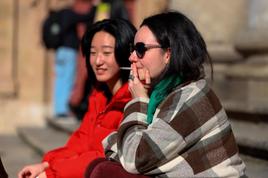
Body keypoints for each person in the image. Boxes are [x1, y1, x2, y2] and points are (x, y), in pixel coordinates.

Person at [85, 11, 247, 178]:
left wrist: (139, 100)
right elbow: (128, 150)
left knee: (104, 171)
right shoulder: (164, 93)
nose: (132, 57)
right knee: (99, 166)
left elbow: (133, 158)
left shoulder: (191, 97)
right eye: (133, 49)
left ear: (168, 54)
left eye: (140, 49)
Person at [18, 18, 136, 178]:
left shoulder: (133, 100)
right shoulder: (99, 95)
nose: (98, 61)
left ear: (125, 53)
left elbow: (102, 155)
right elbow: (81, 140)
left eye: (107, 52)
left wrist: (51, 173)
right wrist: (46, 164)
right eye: (93, 53)